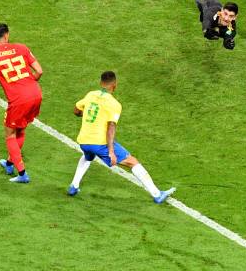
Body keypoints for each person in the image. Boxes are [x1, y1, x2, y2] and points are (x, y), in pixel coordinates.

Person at [68, 71, 176, 204]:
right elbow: (111, 127)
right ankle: (157, 194)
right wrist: (111, 152)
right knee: (132, 162)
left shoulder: (91, 95)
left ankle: (74, 186)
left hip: (83, 140)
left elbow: (76, 111)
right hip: (99, 143)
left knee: (88, 156)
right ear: (115, 85)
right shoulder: (114, 104)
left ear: (101, 83)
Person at [0, 23, 43, 183]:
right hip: (36, 93)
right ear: (7, 35)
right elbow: (39, 71)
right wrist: (29, 85)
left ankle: (22, 174)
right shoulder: (21, 47)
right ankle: (9, 163)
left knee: (10, 134)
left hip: (19, 100)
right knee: (19, 130)